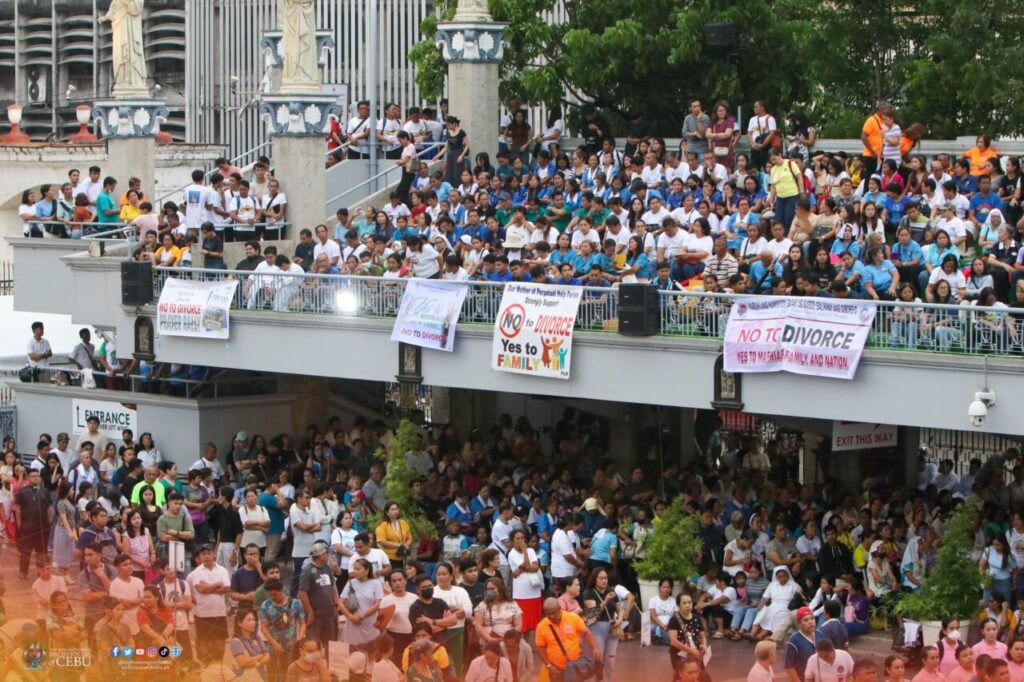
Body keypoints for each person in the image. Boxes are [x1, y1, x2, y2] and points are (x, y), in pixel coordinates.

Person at [535, 597, 603, 682]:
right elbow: (540, 648)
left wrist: (595, 648)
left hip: (575, 667)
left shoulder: (573, 618)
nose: (551, 616)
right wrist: (549, 666)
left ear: (560, 609)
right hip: (557, 670)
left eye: (554, 613)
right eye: (548, 614)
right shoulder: (541, 626)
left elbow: (586, 633)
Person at [187, 543, 231, 663]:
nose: (206, 556)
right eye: (203, 554)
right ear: (200, 556)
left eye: (209, 553)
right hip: (202, 614)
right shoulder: (196, 572)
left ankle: (219, 669)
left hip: (220, 613)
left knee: (220, 646)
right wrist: (217, 585)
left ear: (214, 554)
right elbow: (200, 589)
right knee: (205, 645)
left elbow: (226, 589)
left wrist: (207, 587)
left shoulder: (223, 570)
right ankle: (206, 670)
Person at [14, 467, 51, 580]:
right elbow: (18, 509)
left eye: (37, 476)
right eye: (33, 476)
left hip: (42, 527)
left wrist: (48, 522)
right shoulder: (22, 491)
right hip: (26, 527)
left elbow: (49, 508)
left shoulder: (45, 491)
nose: (36, 478)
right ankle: (23, 572)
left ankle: (41, 572)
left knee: (41, 552)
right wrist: (19, 525)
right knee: (25, 552)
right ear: (28, 478)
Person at [339, 557, 383, 651]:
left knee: (371, 651)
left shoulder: (376, 583)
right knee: (353, 651)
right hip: (353, 624)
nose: (355, 571)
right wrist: (351, 617)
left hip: (370, 624)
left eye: (358, 569)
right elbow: (340, 602)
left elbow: (377, 604)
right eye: (354, 569)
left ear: (367, 570)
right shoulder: (351, 583)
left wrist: (361, 616)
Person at [668, 591, 707, 672]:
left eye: (689, 602)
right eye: (684, 603)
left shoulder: (697, 618)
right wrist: (691, 651)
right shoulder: (674, 620)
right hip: (680, 655)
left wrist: (704, 645)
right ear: (678, 605)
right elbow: (673, 641)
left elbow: (702, 636)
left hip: (696, 654)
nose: (687, 605)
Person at [785, 607, 821, 682]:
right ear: (798, 623)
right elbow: (789, 667)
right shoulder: (793, 641)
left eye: (812, 618)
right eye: (806, 620)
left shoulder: (820, 635)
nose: (810, 622)